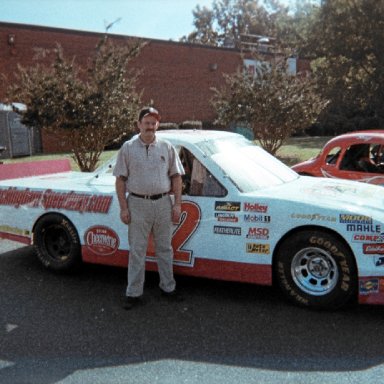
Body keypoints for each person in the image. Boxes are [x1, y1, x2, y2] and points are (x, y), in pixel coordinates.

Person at [113, 106, 185, 310]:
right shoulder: (127, 148)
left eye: (153, 123)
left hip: (163, 203)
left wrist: (177, 204)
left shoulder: (166, 147)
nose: (150, 127)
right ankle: (134, 293)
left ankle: (168, 288)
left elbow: (176, 177)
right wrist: (124, 207)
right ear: (138, 124)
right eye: (146, 123)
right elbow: (120, 180)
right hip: (137, 204)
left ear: (157, 125)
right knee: (137, 250)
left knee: (165, 249)